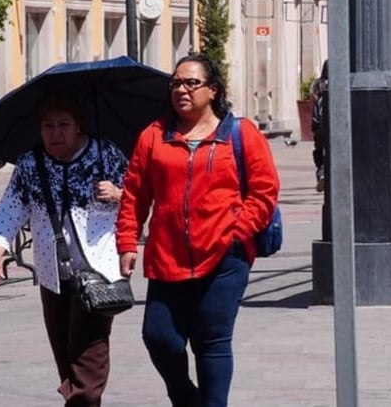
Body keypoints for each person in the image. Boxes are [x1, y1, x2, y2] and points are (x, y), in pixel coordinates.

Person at [116, 54, 279, 407]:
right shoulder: (153, 136)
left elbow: (264, 192)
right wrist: (127, 241)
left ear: (213, 90)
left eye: (191, 83)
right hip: (166, 257)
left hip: (225, 258)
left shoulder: (240, 134)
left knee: (212, 340)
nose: (181, 90)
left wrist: (237, 232)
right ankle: (185, 397)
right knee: (159, 336)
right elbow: (134, 194)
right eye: (176, 83)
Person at [0, 92, 127, 407]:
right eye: (47, 126)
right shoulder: (31, 163)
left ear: (79, 126)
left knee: (88, 365)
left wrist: (120, 194)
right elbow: (10, 208)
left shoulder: (106, 155)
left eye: (64, 124)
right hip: (53, 276)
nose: (55, 133)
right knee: (66, 357)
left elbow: (144, 197)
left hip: (99, 272)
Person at [311, 60, 329, 193]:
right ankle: (325, 173)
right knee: (331, 152)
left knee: (319, 151)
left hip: (318, 124)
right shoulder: (339, 82)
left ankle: (321, 173)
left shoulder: (317, 84)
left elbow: (313, 99)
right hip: (331, 122)